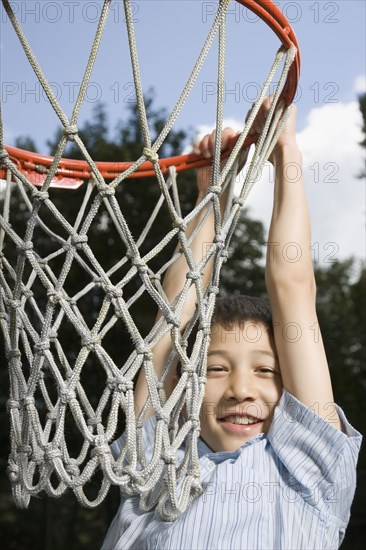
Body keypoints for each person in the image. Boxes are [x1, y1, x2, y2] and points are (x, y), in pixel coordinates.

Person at [102, 99, 362, 549]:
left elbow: (292, 287)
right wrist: (213, 189)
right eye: (216, 369)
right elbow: (177, 311)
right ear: (183, 391)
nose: (241, 388)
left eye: (266, 371)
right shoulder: (157, 463)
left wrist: (286, 153)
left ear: (291, 393)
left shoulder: (307, 472)